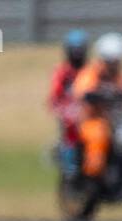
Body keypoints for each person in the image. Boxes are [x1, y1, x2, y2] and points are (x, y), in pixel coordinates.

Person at [70, 32, 122, 190]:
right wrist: (94, 95)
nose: (113, 65)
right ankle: (94, 178)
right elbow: (81, 91)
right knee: (99, 135)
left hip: (121, 121)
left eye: (116, 62)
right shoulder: (90, 75)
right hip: (94, 119)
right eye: (110, 62)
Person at [48, 30, 89, 176]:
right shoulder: (62, 72)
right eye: (74, 50)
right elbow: (55, 97)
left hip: (89, 112)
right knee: (70, 132)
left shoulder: (90, 70)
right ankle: (70, 170)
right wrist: (64, 108)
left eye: (80, 50)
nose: (77, 54)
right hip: (70, 115)